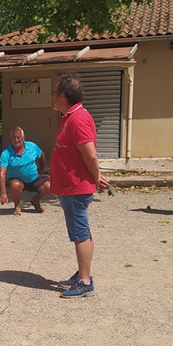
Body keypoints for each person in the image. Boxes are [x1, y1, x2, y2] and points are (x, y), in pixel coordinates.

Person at [49, 73, 110, 298]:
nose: (52, 97)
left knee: (80, 234)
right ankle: (82, 274)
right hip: (70, 187)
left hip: (76, 188)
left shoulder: (78, 119)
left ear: (63, 96)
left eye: (54, 93)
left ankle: (85, 282)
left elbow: (90, 155)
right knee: (80, 232)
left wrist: (96, 177)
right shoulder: (69, 116)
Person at [0, 126, 51, 215]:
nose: (16, 140)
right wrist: (3, 193)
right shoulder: (6, 153)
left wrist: (41, 169)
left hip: (33, 178)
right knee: (16, 185)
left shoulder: (32, 146)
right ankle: (17, 205)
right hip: (16, 180)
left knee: (50, 186)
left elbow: (42, 155)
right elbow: (2, 173)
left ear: (23, 138)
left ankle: (35, 200)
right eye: (13, 137)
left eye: (18, 137)